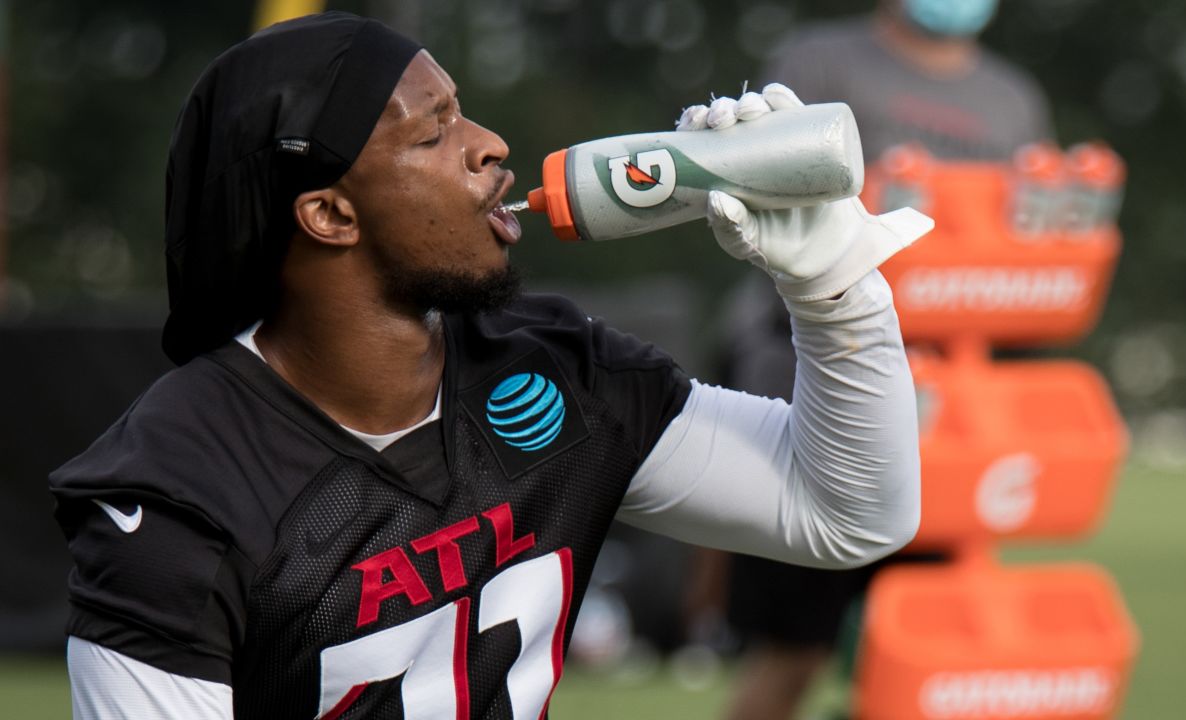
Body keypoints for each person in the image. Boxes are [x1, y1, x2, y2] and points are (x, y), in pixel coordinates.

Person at [49, 12, 930, 719]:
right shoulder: (176, 498)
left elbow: (847, 514)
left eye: (461, 109)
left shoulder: (549, 367)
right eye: (435, 135)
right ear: (329, 215)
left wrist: (832, 286)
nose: (491, 144)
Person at [705, 1, 1056, 719]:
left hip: (943, 413)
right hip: (811, 371)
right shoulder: (821, 61)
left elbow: (1031, 241)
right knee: (793, 647)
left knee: (929, 654)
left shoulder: (1014, 98)